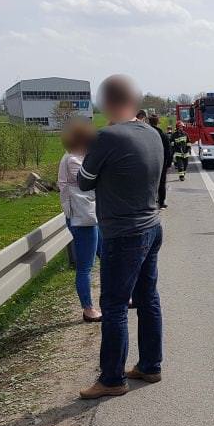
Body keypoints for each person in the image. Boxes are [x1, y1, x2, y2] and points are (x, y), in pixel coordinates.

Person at [77, 75, 164, 399]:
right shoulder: (152, 133)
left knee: (113, 306)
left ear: (109, 103)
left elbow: (85, 182)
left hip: (123, 234)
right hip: (152, 226)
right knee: (148, 299)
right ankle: (150, 365)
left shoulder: (107, 138)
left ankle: (112, 379)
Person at [58, 120, 102, 323]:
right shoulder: (73, 160)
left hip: (92, 216)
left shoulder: (80, 157)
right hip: (82, 219)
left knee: (106, 255)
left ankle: (114, 297)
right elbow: (90, 183)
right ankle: (88, 309)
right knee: (85, 266)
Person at [148, 114, 171, 208]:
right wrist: (168, 163)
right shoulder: (163, 135)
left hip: (147, 162)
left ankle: (150, 202)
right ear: (158, 122)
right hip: (161, 163)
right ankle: (161, 202)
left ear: (149, 122)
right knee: (161, 182)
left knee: (148, 182)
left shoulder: (145, 133)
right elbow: (168, 150)